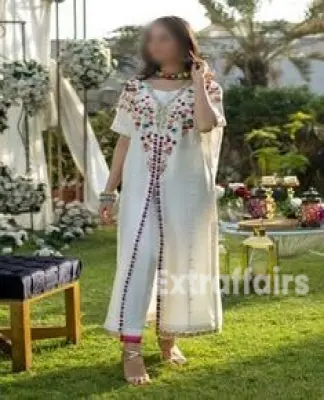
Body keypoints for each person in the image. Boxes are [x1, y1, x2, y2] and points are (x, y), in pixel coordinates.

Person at [100, 15, 226, 385]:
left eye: (164, 38)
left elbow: (205, 125)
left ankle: (167, 339)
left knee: (176, 262)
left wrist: (200, 81)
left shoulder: (208, 88)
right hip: (141, 189)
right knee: (141, 260)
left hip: (185, 190)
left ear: (182, 43)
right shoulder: (134, 89)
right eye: (151, 39)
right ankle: (132, 350)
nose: (155, 45)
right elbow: (123, 141)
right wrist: (110, 191)